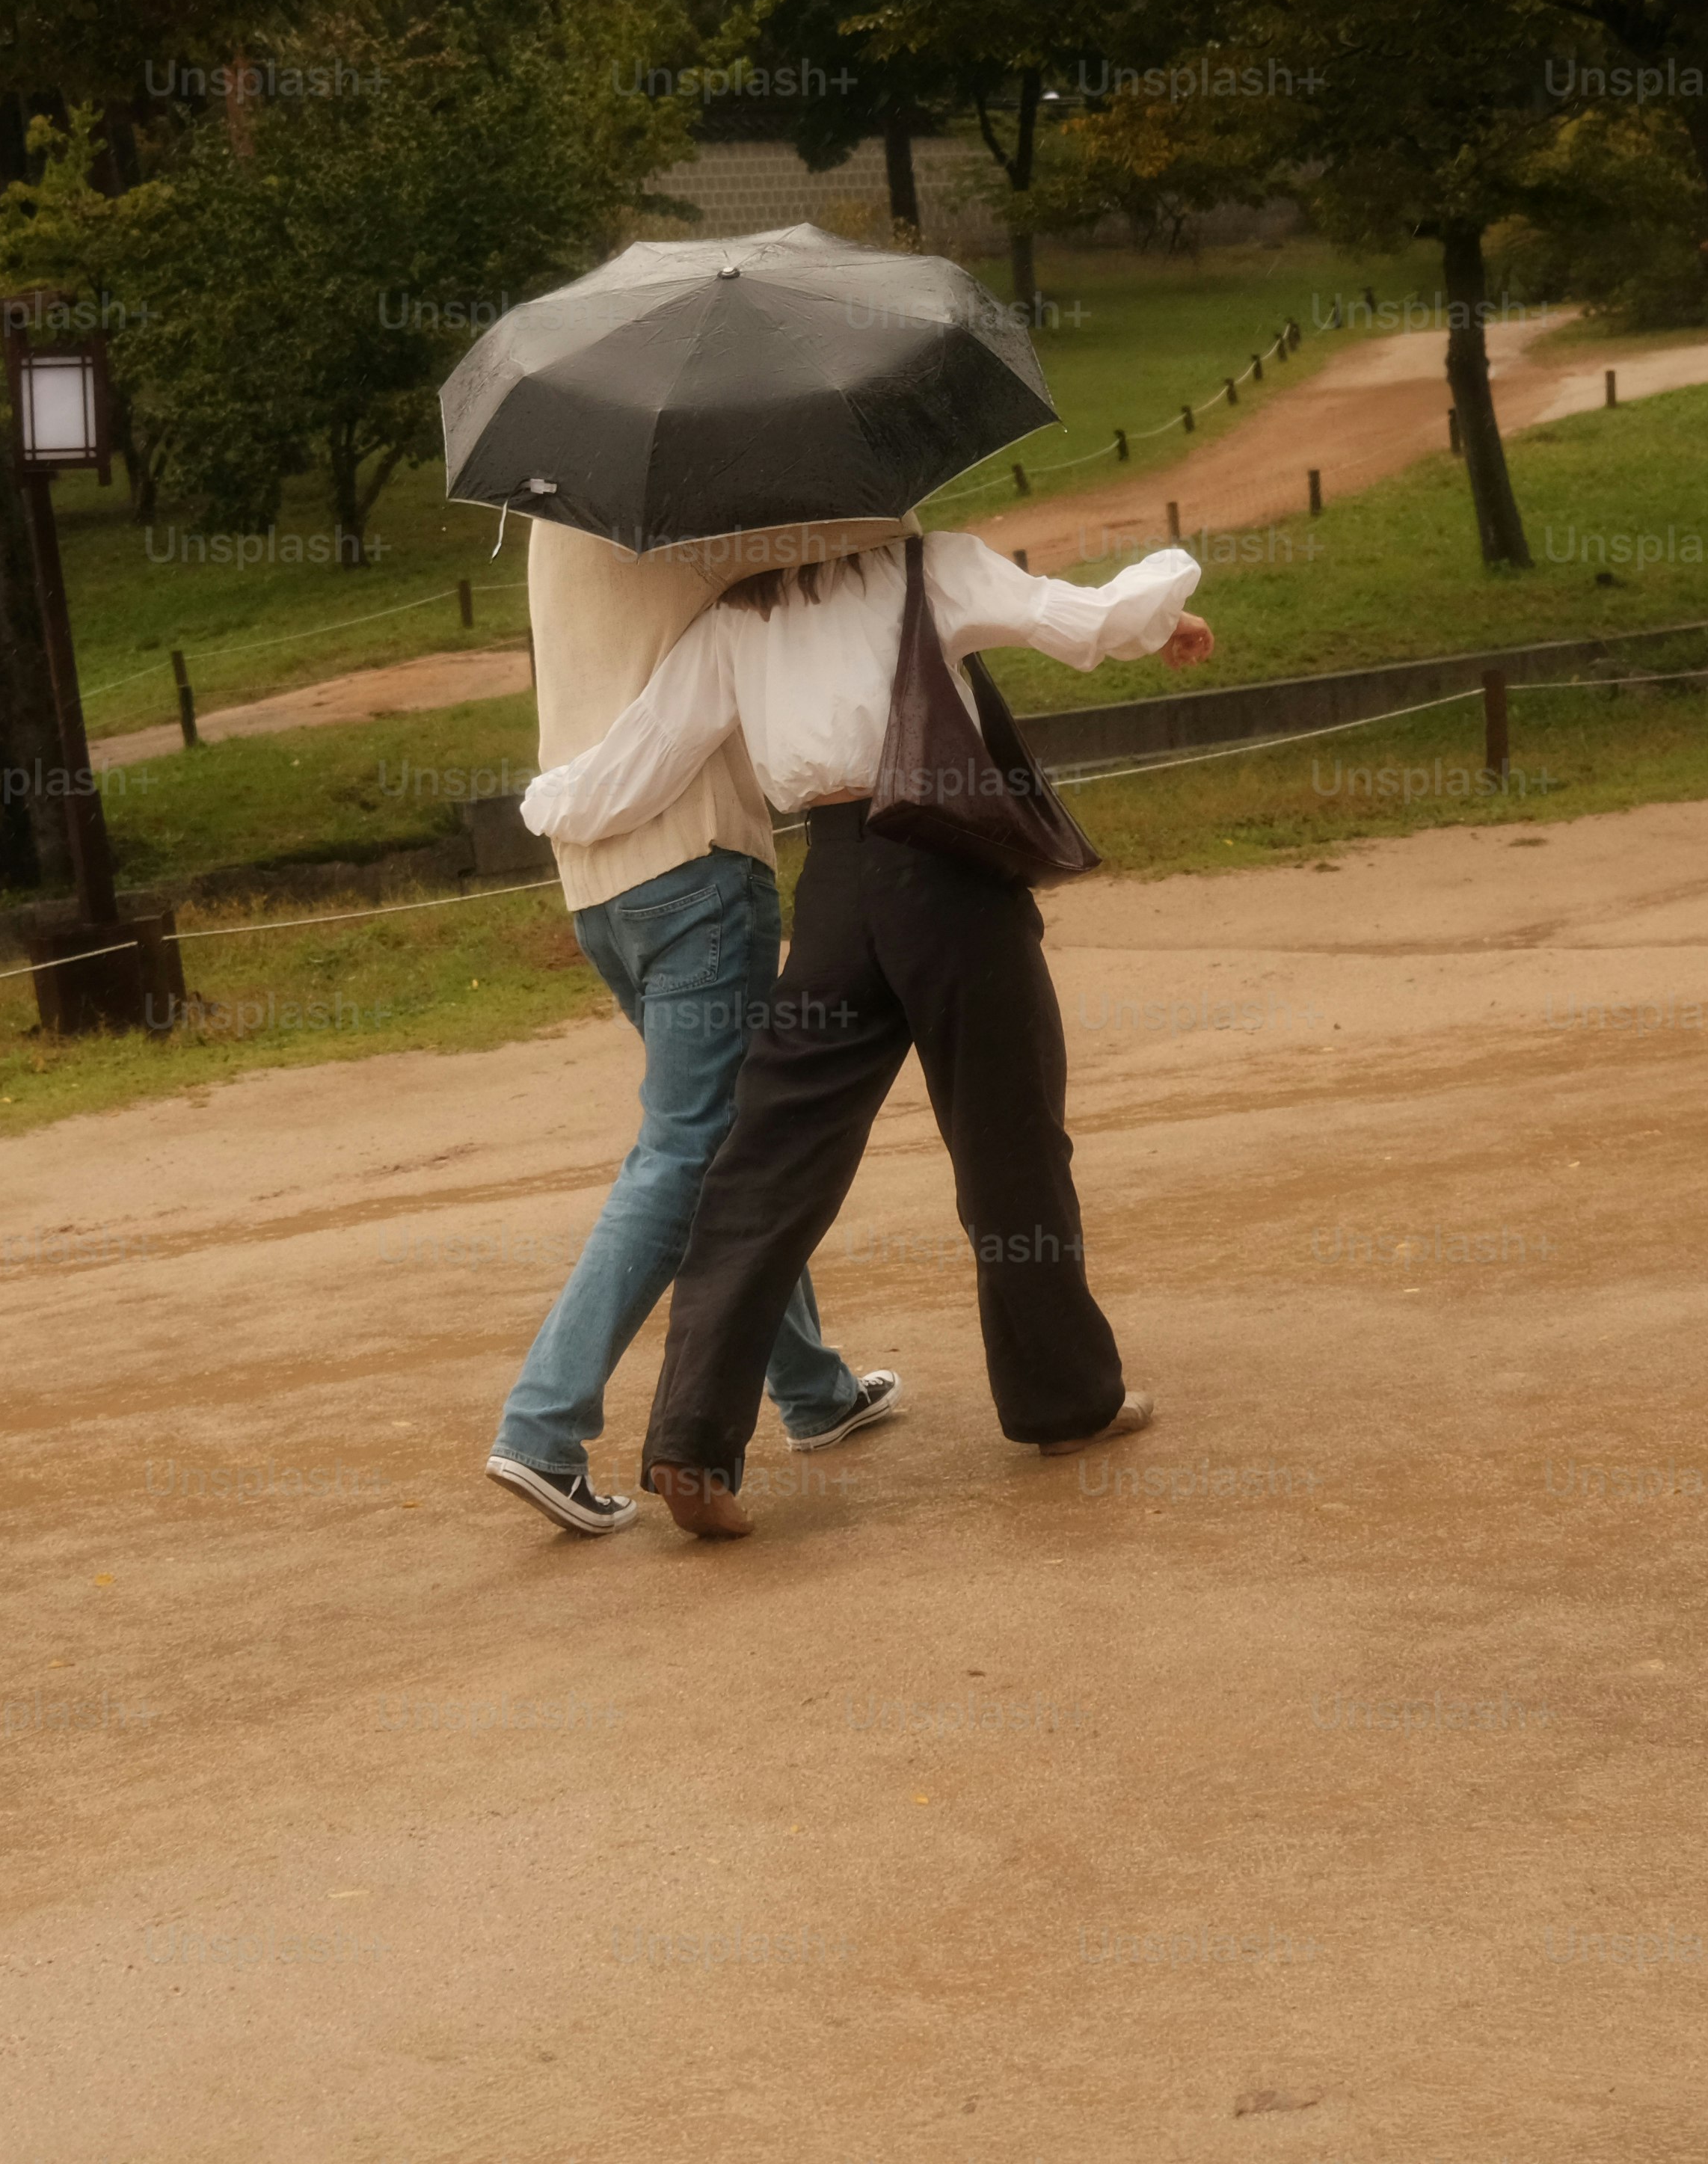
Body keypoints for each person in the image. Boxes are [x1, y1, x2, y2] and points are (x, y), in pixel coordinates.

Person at [519, 527, 1217, 1539]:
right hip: (948, 875)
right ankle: (1064, 1403)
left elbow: (638, 763)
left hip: (837, 892)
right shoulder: (931, 566)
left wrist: (549, 805)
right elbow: (1085, 621)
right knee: (1008, 1142)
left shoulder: (737, 617)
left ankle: (690, 1441)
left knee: (765, 1166)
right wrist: (1168, 600)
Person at [482, 517, 903, 1536]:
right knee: (687, 1150)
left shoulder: (563, 503)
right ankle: (543, 1425)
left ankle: (812, 1389)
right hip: (700, 862)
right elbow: (838, 550)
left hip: (598, 886)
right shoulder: (697, 502)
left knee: (724, 1141)